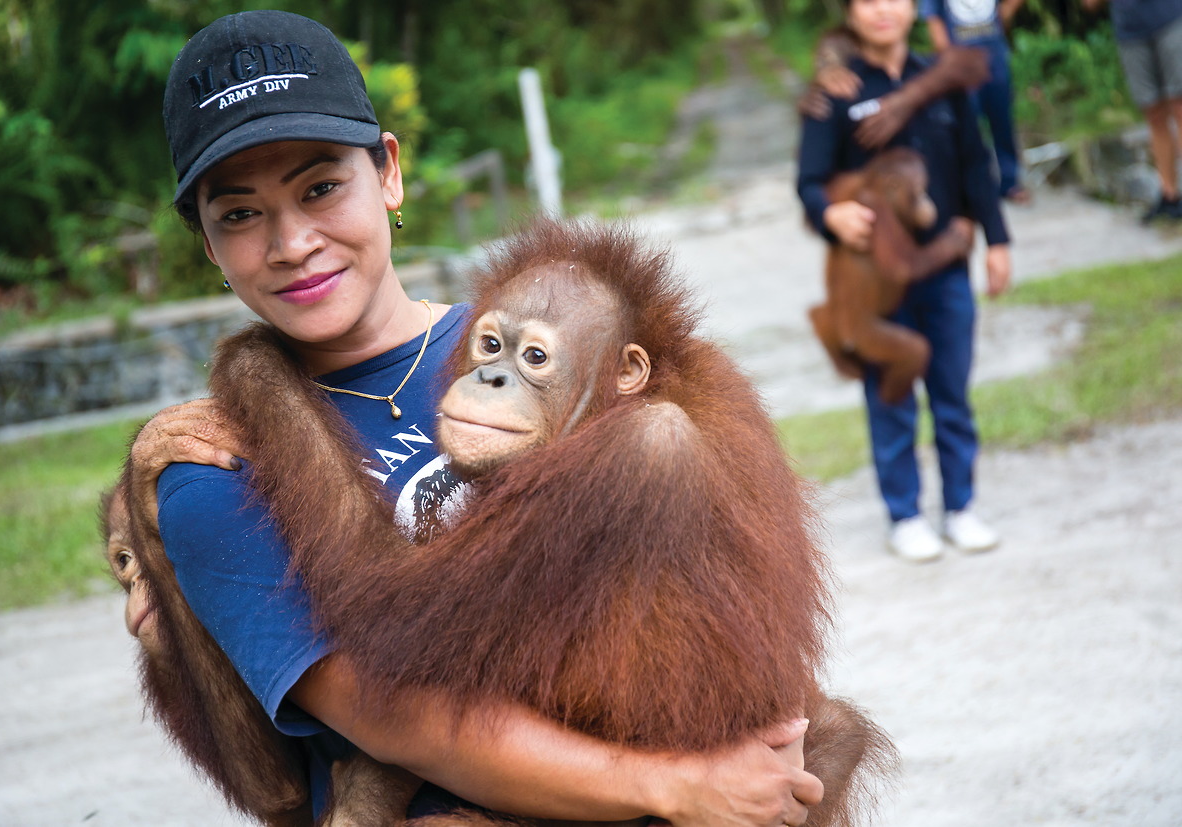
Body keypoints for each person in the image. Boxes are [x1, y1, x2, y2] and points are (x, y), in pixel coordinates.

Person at [132, 9, 822, 825]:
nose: (292, 242)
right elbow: (396, 709)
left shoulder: (552, 341)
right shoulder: (213, 468)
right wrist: (672, 788)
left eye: (321, 188)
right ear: (207, 244)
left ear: (388, 172)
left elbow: (732, 597)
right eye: (239, 214)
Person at [796, 0, 1012, 563]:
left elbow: (975, 165)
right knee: (889, 396)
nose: (882, 9)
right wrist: (830, 215)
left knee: (952, 392)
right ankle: (906, 515)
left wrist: (998, 240)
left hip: (945, 275)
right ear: (850, 12)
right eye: (867, 0)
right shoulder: (836, 91)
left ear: (915, 8)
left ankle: (961, 506)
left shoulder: (940, 78)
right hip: (874, 282)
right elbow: (809, 182)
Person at [918, 0, 1030, 204]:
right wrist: (948, 59)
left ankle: (1010, 181)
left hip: (994, 58)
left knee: (1003, 121)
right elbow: (933, 19)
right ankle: (971, 187)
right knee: (965, 127)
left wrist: (1004, 13)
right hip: (962, 65)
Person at [1083, 0, 1182, 223]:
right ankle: (1170, 196)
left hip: (1172, 18)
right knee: (1153, 113)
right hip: (1130, 31)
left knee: (1179, 105)